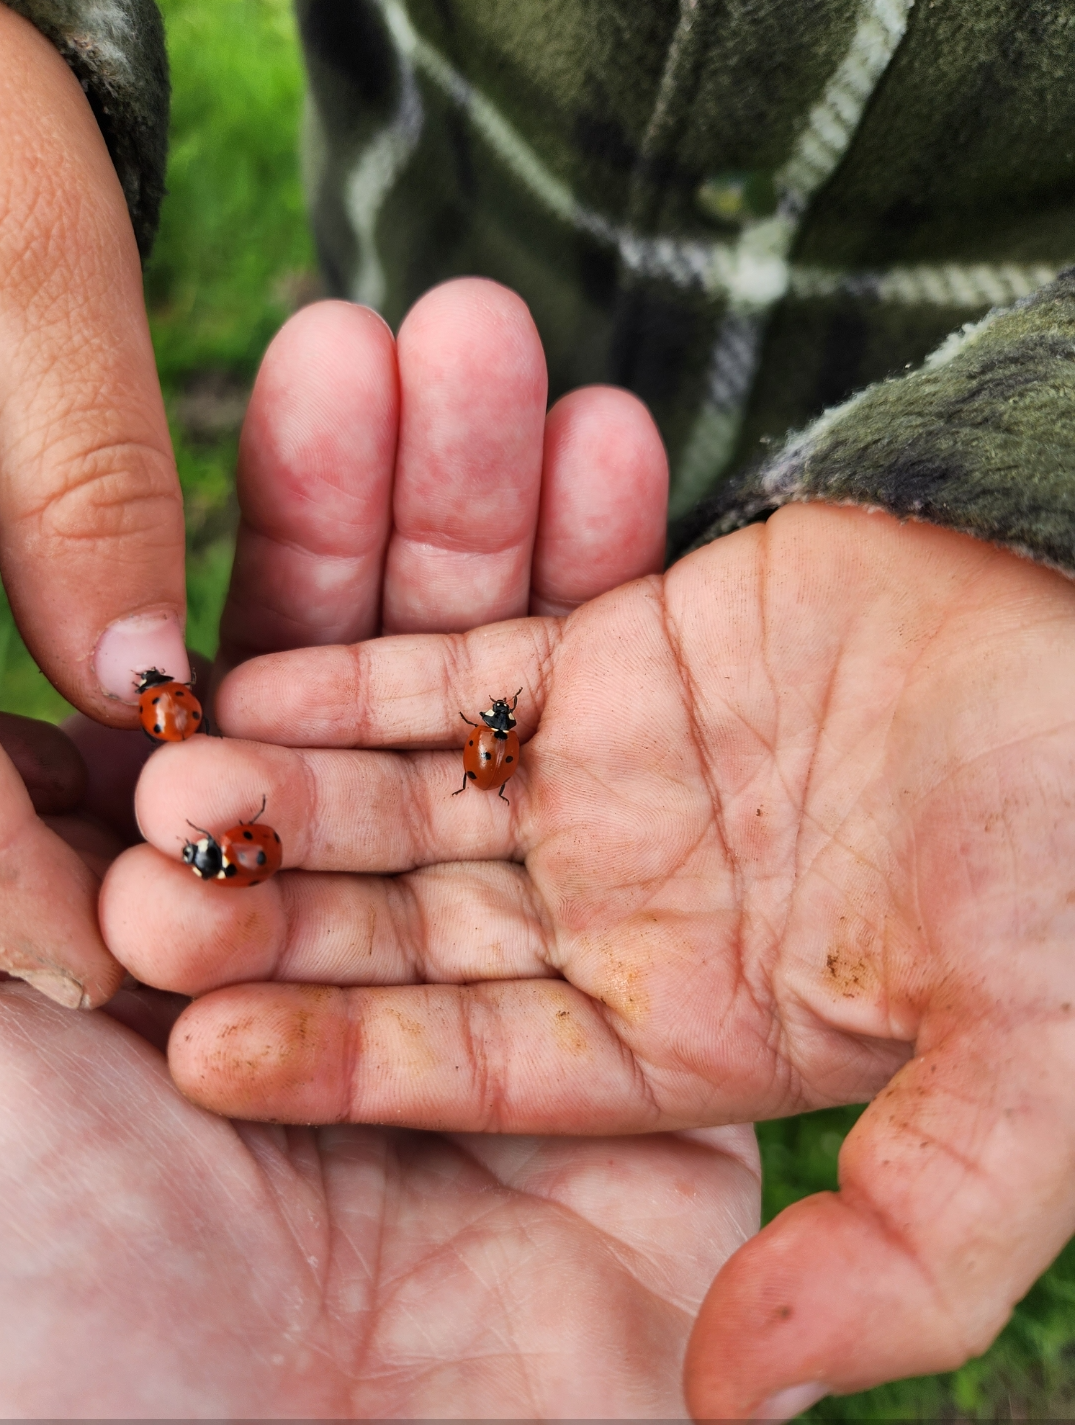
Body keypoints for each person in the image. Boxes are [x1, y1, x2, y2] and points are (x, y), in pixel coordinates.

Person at [4, 0, 1075, 1419]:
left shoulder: (486, 747)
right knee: (435, 395)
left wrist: (1028, 491)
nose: (487, 746)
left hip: (917, 396)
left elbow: (488, 755)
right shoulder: (472, 748)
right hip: (461, 188)